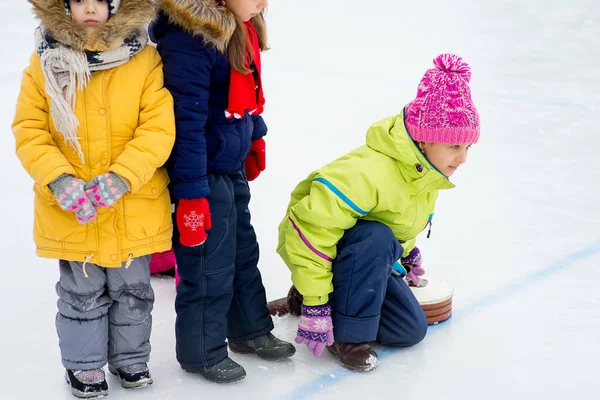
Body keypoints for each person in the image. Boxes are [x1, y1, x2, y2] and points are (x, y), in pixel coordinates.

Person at [12, 0, 175, 397]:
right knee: (81, 293)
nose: (88, 8)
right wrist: (57, 178)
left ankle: (131, 358)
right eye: (79, 0)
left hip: (131, 202)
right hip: (75, 207)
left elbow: (158, 127)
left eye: (98, 0)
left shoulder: (146, 60)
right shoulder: (45, 61)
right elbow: (29, 128)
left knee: (133, 290)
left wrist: (122, 176)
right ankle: (84, 366)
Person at [277, 54, 480, 371]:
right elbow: (309, 233)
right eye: (455, 146)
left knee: (409, 331)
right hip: (321, 248)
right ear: (425, 139)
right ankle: (344, 334)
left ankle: (323, 299)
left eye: (468, 147)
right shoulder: (368, 173)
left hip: (363, 260)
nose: (463, 158)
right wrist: (317, 303)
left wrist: (407, 254)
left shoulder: (426, 173)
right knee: (376, 236)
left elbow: (397, 219)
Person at [149, 0, 295, 383]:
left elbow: (246, 101)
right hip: (200, 175)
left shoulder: (240, 26)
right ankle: (202, 351)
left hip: (228, 168)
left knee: (243, 254)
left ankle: (249, 331)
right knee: (208, 265)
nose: (264, 3)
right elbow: (186, 126)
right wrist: (192, 194)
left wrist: (255, 138)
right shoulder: (190, 39)